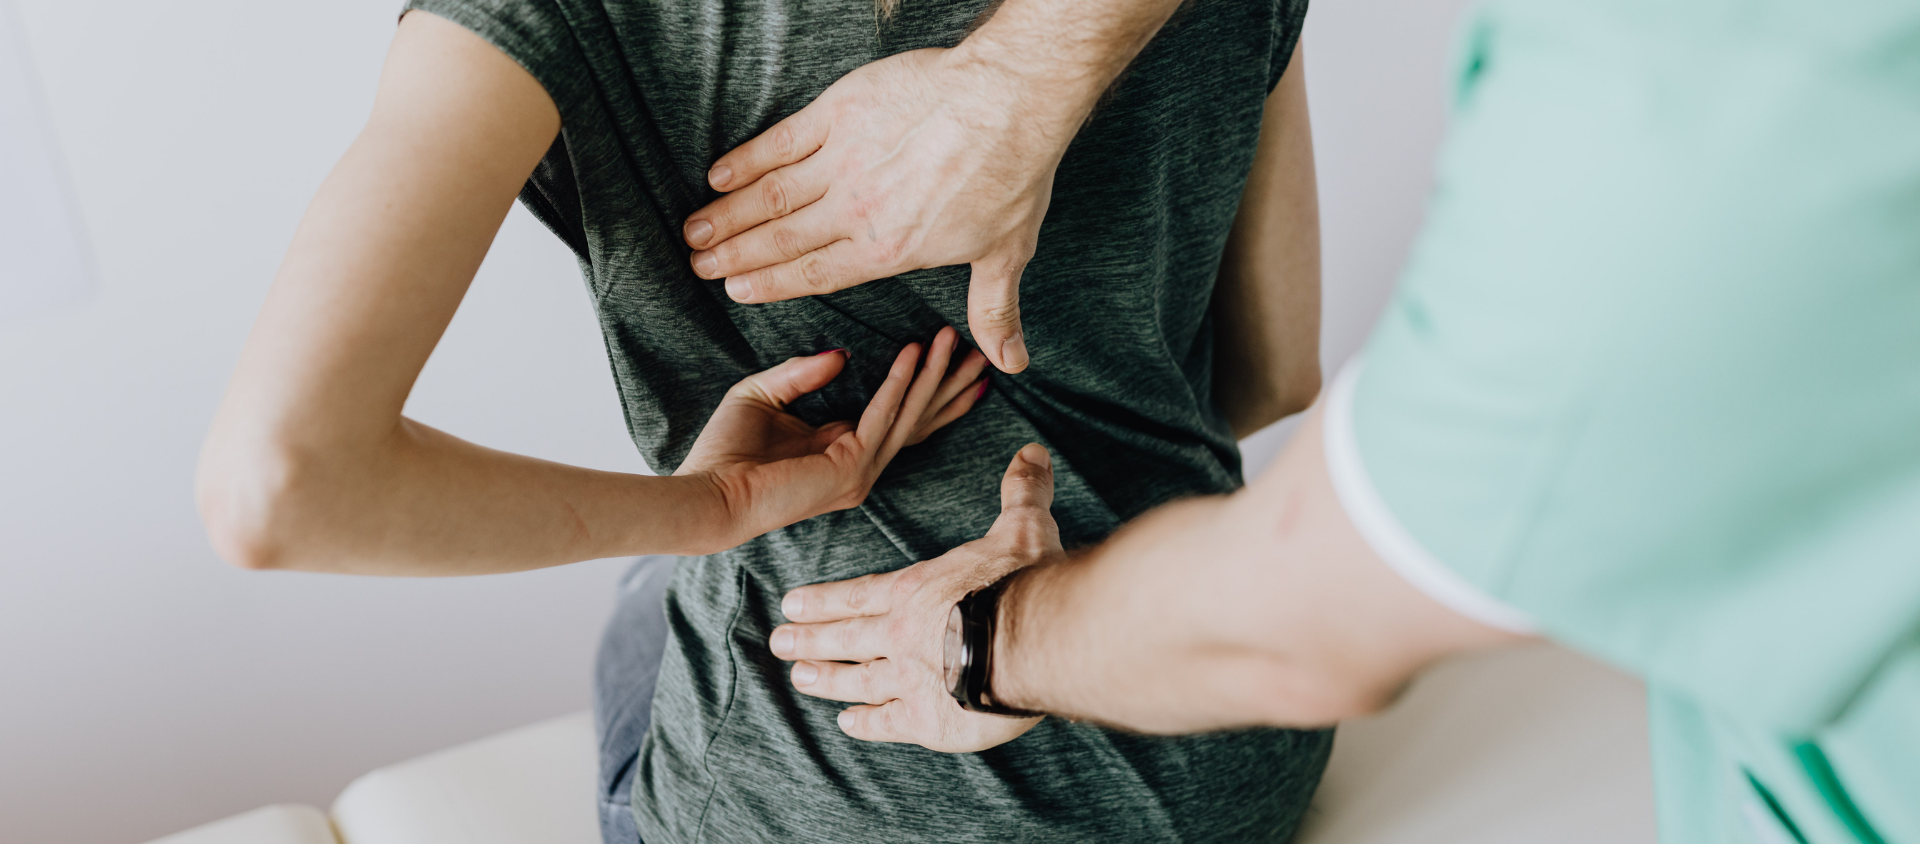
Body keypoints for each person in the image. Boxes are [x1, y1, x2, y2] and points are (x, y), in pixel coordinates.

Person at [766, 1, 1920, 842]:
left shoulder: (1689, 116)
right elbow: (1273, 375)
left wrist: (984, 640)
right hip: (1234, 772)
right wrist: (1020, 78)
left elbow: (1314, 613)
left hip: (871, 773)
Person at [197, 1, 1335, 842]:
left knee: (651, 593)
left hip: (846, 798)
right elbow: (1272, 376)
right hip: (1218, 744)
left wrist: (712, 506)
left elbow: (284, 485)